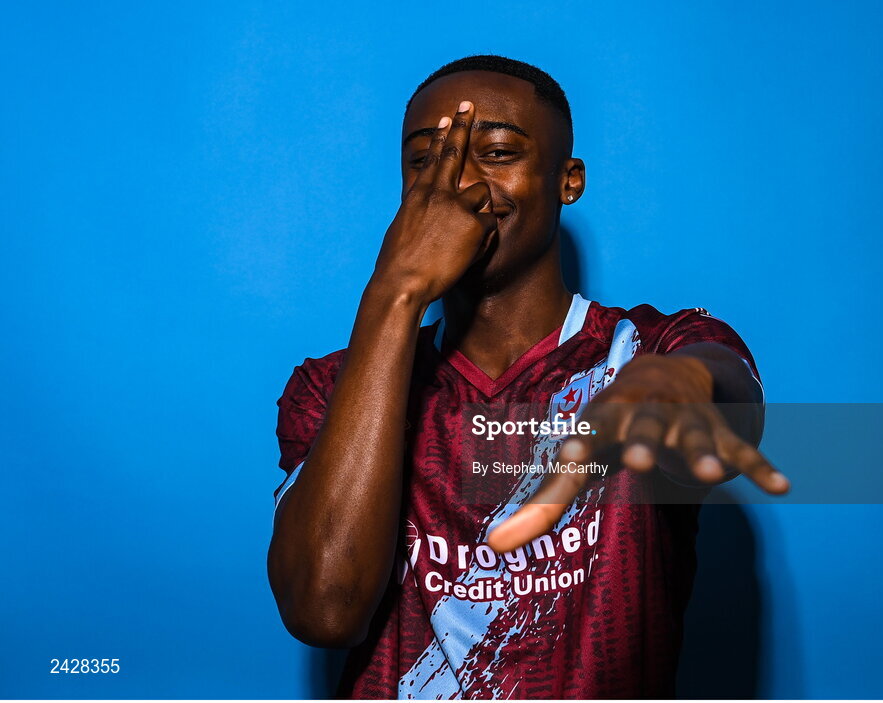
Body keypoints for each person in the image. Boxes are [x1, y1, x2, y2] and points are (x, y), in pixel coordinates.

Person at [268, 55, 788, 699]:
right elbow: (325, 609)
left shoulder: (647, 349)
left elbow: (728, 401)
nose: (458, 182)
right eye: (426, 159)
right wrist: (397, 293)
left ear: (567, 181)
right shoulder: (330, 388)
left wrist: (689, 386)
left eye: (496, 152)